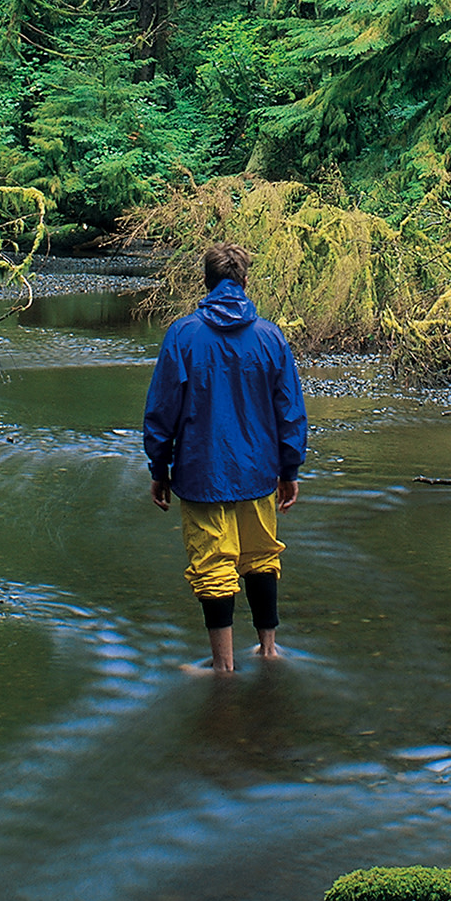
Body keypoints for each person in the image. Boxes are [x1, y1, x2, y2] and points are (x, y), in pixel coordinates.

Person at [141, 241, 307, 673]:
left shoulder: (183, 334)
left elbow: (161, 411)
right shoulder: (270, 336)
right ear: (245, 281)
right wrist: (289, 469)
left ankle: (223, 668)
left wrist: (159, 469)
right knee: (262, 555)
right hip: (258, 472)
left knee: (213, 566)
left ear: (207, 282)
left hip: (201, 472)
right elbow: (290, 410)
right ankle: (269, 650)